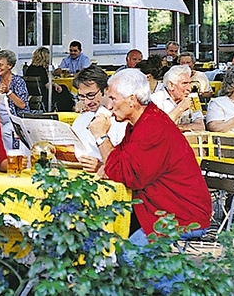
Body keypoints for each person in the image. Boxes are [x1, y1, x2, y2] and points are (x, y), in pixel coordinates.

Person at [88, 69, 212, 244]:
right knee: (99, 231)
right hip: (154, 208)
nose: (108, 106)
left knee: (130, 256)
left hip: (180, 215)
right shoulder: (139, 122)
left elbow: (124, 173)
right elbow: (118, 163)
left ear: (132, 100)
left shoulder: (152, 127)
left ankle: (184, 273)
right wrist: (104, 164)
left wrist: (101, 138)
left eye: (113, 99)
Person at [71, 66, 127, 169]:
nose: (87, 102)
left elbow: (125, 163)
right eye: (82, 96)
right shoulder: (81, 119)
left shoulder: (122, 120)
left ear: (106, 90)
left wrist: (101, 166)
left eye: (91, 95)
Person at [151, 65, 205, 132]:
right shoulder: (155, 100)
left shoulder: (191, 99)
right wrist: (180, 109)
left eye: (190, 83)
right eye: (184, 83)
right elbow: (157, 129)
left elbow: (200, 127)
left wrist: (177, 128)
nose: (189, 88)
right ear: (171, 85)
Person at [0, 49, 29, 149]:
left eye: (0, 65)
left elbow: (22, 105)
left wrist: (9, 92)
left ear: (9, 66)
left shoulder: (18, 81)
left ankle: (9, 157)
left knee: (6, 131)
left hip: (16, 119)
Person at [25, 46, 73, 112]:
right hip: (44, 94)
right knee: (63, 88)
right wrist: (55, 84)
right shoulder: (41, 69)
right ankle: (67, 108)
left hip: (33, 93)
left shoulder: (30, 68)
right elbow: (46, 85)